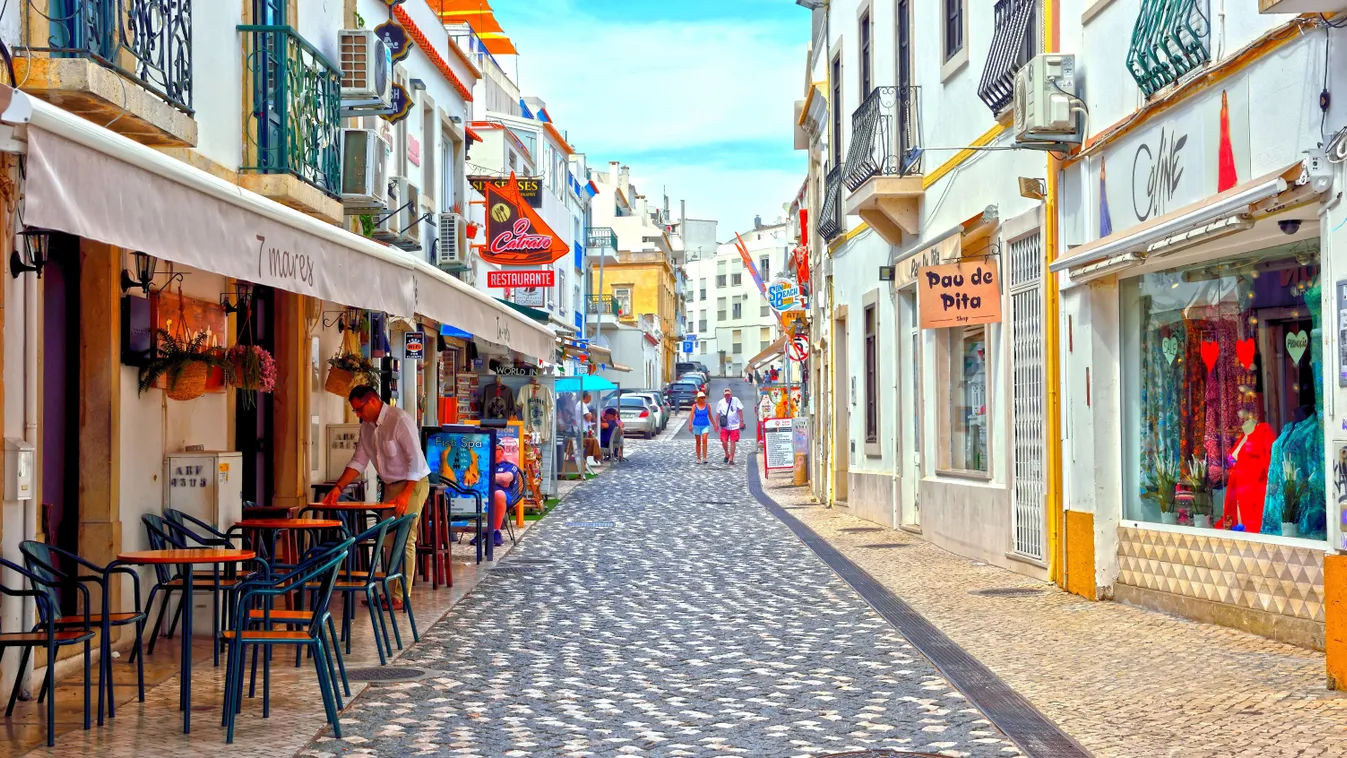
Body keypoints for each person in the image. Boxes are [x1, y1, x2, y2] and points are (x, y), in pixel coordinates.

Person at [323, 384, 430, 609]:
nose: (358, 415)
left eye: (359, 410)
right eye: (355, 411)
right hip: (391, 484)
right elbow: (359, 461)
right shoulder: (367, 428)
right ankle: (388, 593)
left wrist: (406, 494)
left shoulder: (399, 420)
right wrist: (338, 487)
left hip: (413, 482)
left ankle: (401, 595)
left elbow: (417, 461)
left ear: (372, 401)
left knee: (404, 537)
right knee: (387, 540)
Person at [716, 387, 745, 465]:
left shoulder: (735, 400)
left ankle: (731, 458)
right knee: (724, 441)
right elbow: (718, 413)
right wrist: (716, 423)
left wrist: (741, 421)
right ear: (723, 395)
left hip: (734, 425)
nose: (727, 396)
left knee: (733, 441)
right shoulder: (720, 402)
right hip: (724, 425)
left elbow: (740, 410)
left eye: (728, 395)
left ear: (731, 394)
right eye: (726, 395)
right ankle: (727, 454)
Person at [687, 391, 717, 464]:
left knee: (704, 440)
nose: (703, 399)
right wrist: (690, 425)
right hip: (696, 425)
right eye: (701, 398)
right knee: (698, 442)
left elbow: (710, 416)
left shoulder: (707, 406)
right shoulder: (694, 406)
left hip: (705, 425)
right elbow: (691, 416)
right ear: (698, 398)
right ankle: (698, 458)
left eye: (704, 397)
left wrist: (714, 424)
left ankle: (705, 457)